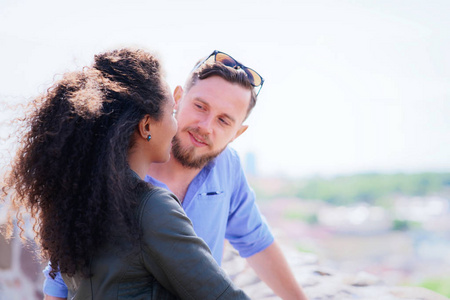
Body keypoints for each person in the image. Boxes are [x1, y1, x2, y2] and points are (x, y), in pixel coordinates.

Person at [43, 50, 308, 300]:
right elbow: (60, 275)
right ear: (178, 98)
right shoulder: (116, 170)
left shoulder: (228, 167)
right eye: (201, 106)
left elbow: (256, 242)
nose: (205, 127)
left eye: (224, 120)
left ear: (238, 132)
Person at [1, 48, 249, 299]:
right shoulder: (151, 208)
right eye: (170, 111)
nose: (175, 126)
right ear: (146, 125)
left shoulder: (82, 200)